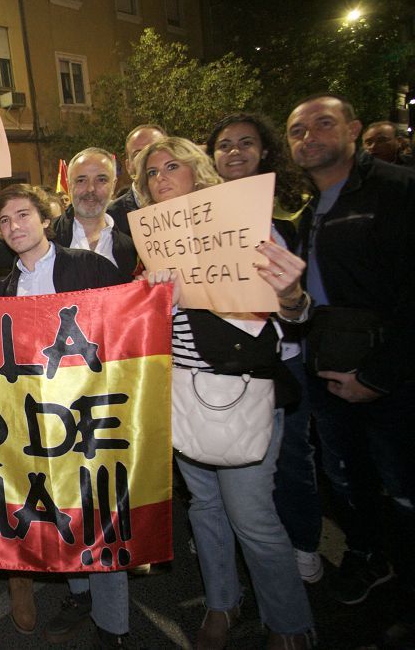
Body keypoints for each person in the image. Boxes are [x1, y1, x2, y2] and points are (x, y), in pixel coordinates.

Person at [137, 137, 315, 648]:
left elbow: (292, 320)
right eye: (152, 173)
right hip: (182, 400)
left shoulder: (249, 232)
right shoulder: (149, 252)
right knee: (204, 509)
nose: (162, 177)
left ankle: (290, 624)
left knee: (253, 518)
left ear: (198, 172)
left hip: (240, 396)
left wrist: (292, 297)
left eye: (172, 166)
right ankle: (222, 603)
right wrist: (154, 300)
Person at [287, 95, 415, 618]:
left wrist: (379, 376)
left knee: (403, 489)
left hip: (390, 376)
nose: (309, 136)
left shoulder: (396, 190)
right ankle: (369, 558)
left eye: (323, 124)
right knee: (349, 480)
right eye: (298, 130)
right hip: (329, 371)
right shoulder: (309, 211)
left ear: (354, 129)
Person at [0, 184, 129, 647]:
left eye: (23, 215)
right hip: (38, 422)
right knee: (58, 512)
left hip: (92, 413)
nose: (15, 227)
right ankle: (79, 592)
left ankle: (112, 625)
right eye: (5, 221)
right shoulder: (4, 289)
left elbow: (129, 322)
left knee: (100, 511)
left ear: (45, 218)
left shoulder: (88, 266)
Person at [206, 112, 323, 584]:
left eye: (245, 143)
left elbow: (300, 310)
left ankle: (303, 544)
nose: (235, 152)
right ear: (212, 157)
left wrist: (292, 300)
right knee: (229, 491)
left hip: (282, 369)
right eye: (225, 145)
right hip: (221, 374)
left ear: (264, 152)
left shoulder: (287, 224)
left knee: (292, 463)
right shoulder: (199, 220)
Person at [53, 148, 137, 278]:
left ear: (113, 185)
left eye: (101, 180)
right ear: (69, 186)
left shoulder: (131, 248)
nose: (91, 188)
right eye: (81, 180)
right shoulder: (46, 238)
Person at [107, 124, 167, 236]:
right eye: (138, 154)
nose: (146, 158)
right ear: (128, 166)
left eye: (155, 150)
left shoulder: (193, 206)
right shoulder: (109, 219)